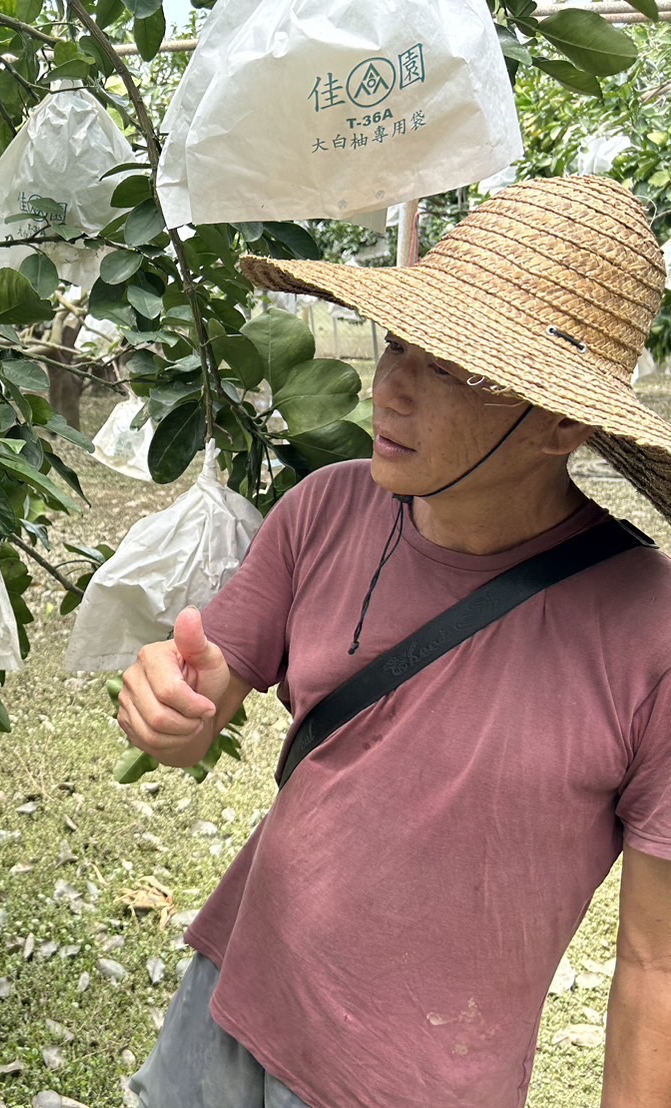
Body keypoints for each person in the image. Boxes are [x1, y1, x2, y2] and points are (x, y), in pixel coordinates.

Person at [120, 175, 671, 1108]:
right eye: (400, 342)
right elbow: (200, 700)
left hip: (409, 1083)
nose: (392, 385)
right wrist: (169, 711)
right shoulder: (324, 510)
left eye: (453, 366)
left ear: (561, 421)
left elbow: (654, 966)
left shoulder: (648, 632)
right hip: (231, 997)